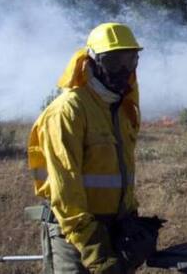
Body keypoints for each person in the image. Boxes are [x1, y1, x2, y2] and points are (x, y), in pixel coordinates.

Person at [28, 23, 143, 273]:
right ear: (92, 61)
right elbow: (64, 187)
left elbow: (120, 171)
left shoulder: (120, 108)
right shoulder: (68, 111)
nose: (123, 70)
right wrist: (93, 246)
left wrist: (131, 217)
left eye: (130, 60)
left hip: (115, 228)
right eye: (114, 61)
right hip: (72, 234)